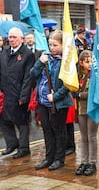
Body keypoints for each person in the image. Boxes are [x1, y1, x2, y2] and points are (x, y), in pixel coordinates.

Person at [31, 30, 73, 171]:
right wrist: (39, 62)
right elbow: (33, 74)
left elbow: (69, 84)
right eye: (50, 44)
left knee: (58, 130)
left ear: (62, 45)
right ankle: (49, 157)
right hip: (43, 101)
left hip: (58, 103)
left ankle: (59, 159)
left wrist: (55, 96)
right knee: (47, 130)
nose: (52, 48)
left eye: (55, 45)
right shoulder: (45, 58)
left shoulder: (66, 61)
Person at [0, 27, 35, 158]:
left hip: (19, 93)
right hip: (5, 93)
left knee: (21, 121)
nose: (12, 39)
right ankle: (11, 144)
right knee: (4, 120)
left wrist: (24, 96)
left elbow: (28, 77)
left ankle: (24, 147)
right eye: (10, 37)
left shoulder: (27, 54)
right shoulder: (4, 52)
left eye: (15, 37)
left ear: (21, 38)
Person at [75, 50, 99, 176]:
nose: (89, 64)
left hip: (92, 109)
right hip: (81, 109)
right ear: (81, 63)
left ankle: (92, 162)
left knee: (92, 136)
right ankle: (83, 161)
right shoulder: (78, 75)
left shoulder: (95, 75)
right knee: (83, 137)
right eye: (86, 62)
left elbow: (93, 94)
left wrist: (79, 94)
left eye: (91, 62)